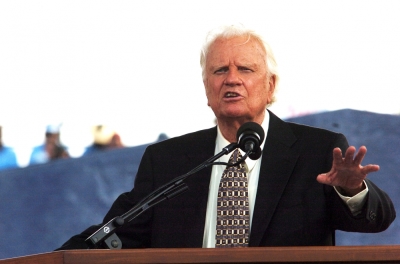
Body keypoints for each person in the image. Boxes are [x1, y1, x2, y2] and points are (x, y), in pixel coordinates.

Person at [57, 24, 395, 250]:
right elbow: (118, 233)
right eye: (220, 71)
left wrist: (352, 190)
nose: (231, 79)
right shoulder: (168, 160)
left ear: (270, 86)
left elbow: (378, 220)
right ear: (207, 88)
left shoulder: (317, 150)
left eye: (245, 70)